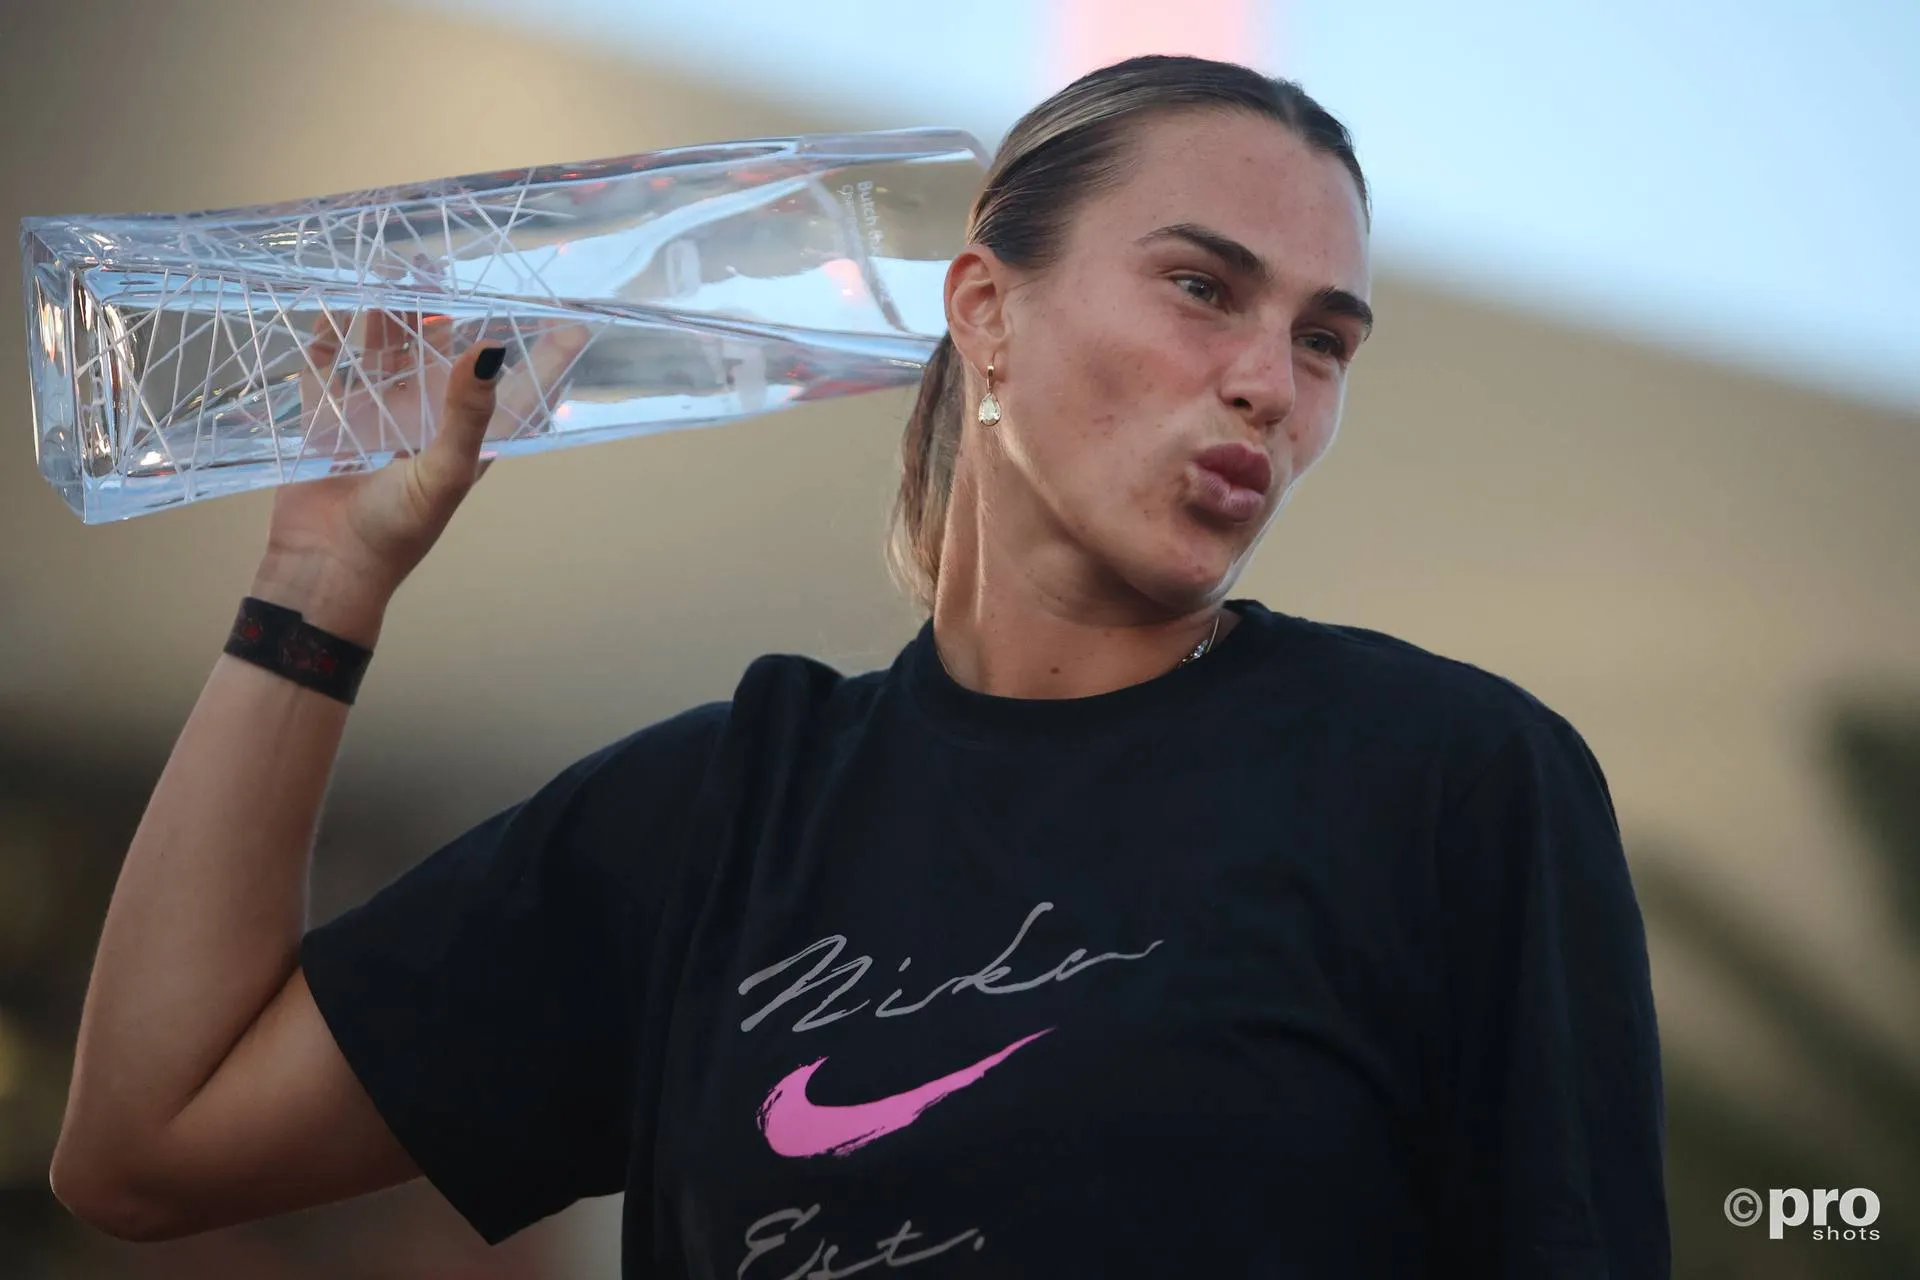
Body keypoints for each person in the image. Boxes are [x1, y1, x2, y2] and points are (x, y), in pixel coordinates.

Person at [48, 54, 1670, 1278]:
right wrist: (317, 588)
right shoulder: (717, 813)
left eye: (1326, 341)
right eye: (1200, 287)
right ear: (987, 312)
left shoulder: (1447, 781)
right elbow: (146, 1140)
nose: (1268, 383)